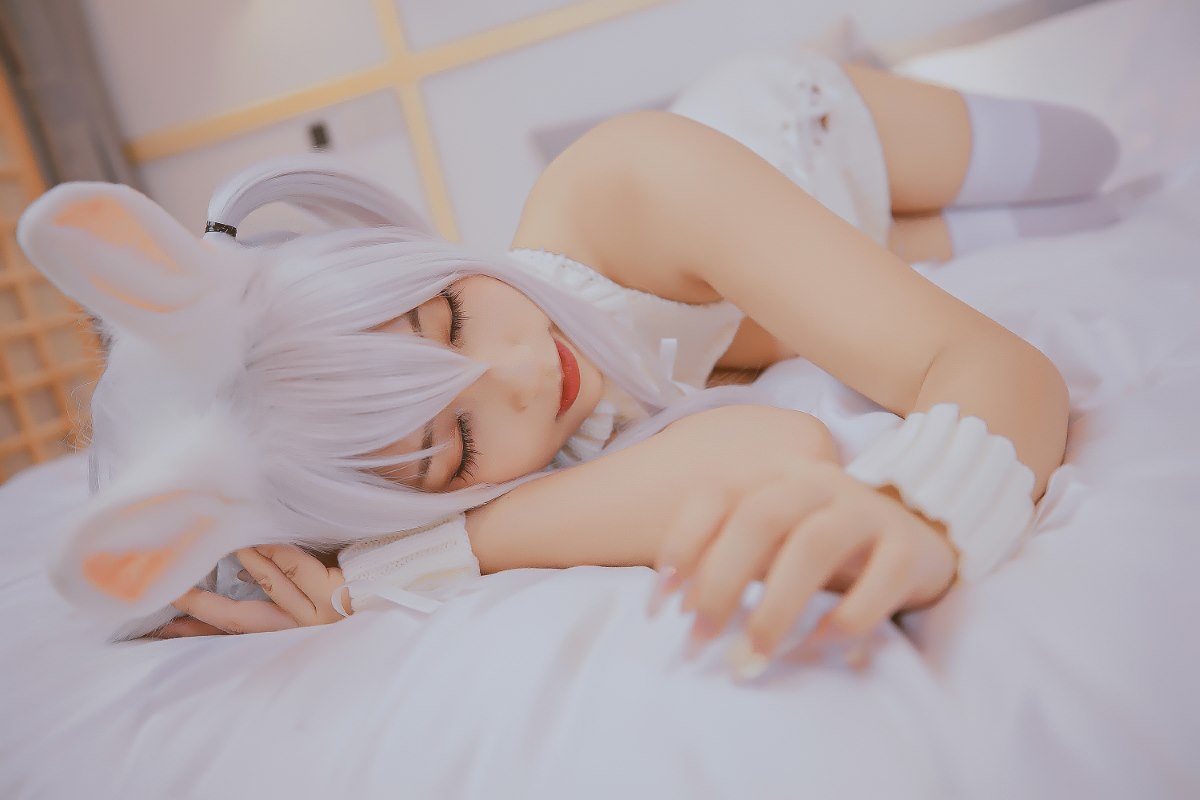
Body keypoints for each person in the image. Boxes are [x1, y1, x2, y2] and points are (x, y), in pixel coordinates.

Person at [20, 48, 1118, 678]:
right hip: (793, 282)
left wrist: (933, 511)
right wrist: (383, 575)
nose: (522, 372)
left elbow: (990, 364)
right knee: (1023, 239)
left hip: (810, 138)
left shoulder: (624, 182)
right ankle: (874, 264)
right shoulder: (502, 492)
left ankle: (867, 242)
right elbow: (775, 449)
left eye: (447, 314)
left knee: (1092, 166)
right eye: (452, 445)